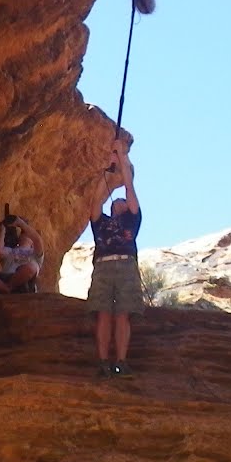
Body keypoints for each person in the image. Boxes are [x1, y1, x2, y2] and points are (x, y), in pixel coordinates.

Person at [86, 138, 143, 376]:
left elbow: (129, 188)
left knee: (122, 315)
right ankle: (103, 361)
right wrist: (108, 170)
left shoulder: (132, 219)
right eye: (116, 200)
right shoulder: (101, 222)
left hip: (126, 266)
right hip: (104, 267)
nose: (119, 200)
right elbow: (96, 200)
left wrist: (121, 158)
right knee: (103, 314)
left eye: (122, 201)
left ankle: (120, 361)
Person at [0, 214, 45, 293]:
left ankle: (8, 287)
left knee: (31, 268)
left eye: (27, 234)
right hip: (4, 279)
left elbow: (37, 240)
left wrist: (20, 223)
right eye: (22, 233)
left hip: (23, 282)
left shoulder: (34, 253)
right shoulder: (9, 251)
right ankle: (5, 288)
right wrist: (3, 230)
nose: (25, 234)